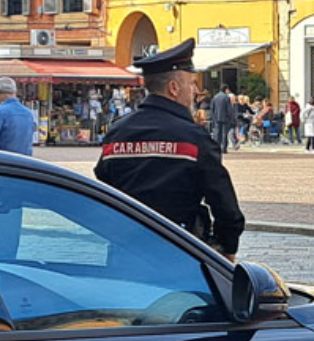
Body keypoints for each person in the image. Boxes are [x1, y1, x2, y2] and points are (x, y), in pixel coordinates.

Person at [94, 38, 245, 262]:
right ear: (173, 88)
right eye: (191, 84)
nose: (195, 91)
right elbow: (225, 206)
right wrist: (226, 249)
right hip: (179, 251)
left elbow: (103, 187)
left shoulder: (117, 133)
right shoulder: (195, 139)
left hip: (124, 253)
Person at [0, 76, 37, 260]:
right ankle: (8, 267)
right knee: (9, 236)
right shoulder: (27, 115)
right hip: (18, 182)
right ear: (14, 92)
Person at [210, 84, 233, 153]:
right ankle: (224, 148)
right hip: (225, 118)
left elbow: (212, 108)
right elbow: (229, 109)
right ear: (226, 89)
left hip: (217, 117)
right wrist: (230, 117)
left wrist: (213, 116)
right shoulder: (226, 97)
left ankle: (217, 147)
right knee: (224, 134)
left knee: (217, 133)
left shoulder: (215, 97)